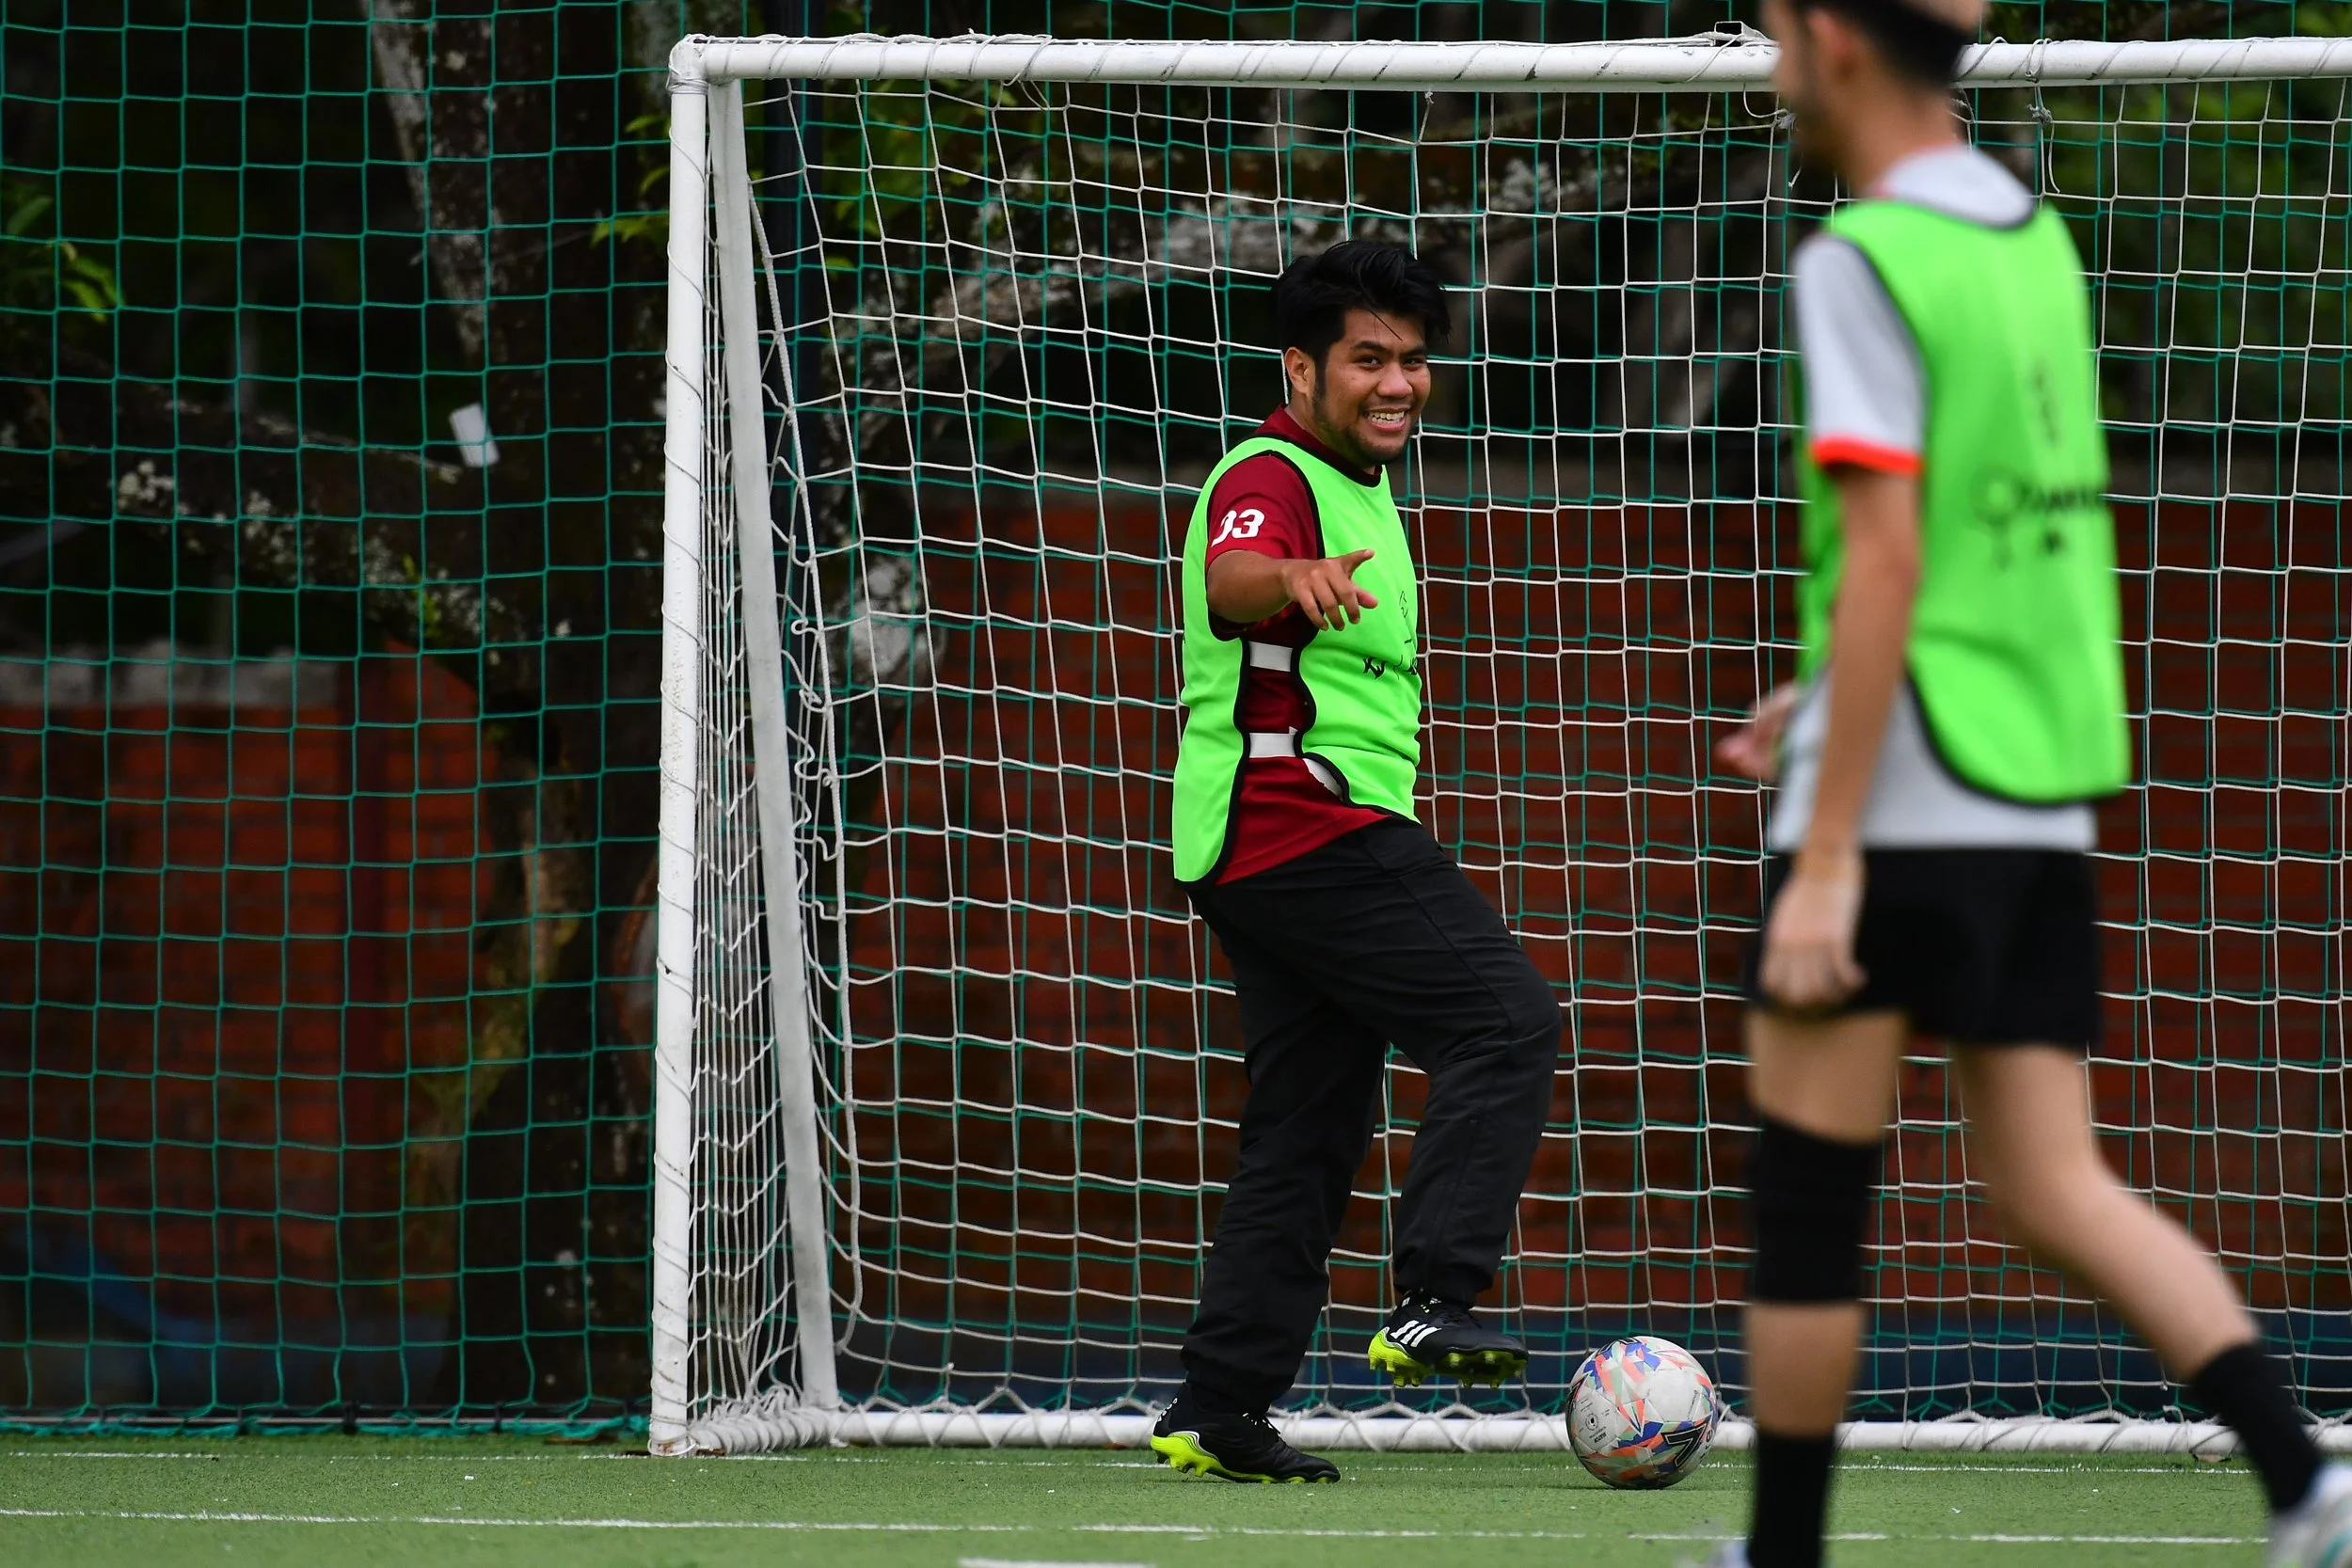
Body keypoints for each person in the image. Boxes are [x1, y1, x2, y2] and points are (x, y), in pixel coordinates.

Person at [1707, 2, 2352, 1564]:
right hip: (2033, 782)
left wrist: (1832, 852)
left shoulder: (1861, 257)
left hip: (1900, 800)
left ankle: (1780, 1557)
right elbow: (1990, 531)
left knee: (1810, 1200)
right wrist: (1824, 684)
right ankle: (2309, 1484)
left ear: (1837, 43)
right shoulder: (2029, 237)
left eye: (1777, 31)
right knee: (2055, 1184)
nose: (1771, 65)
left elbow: (1889, 550)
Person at [1149, 241, 1564, 1483]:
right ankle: (1435, 1297)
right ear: (1301, 368)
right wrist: (1289, 575)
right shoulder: (1270, 473)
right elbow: (1233, 579)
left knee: (1307, 1128)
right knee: (1504, 1020)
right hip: (1300, 823)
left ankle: (1219, 1405)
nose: (1397, 383)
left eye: (1414, 360)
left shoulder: (1360, 486)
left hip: (1264, 842)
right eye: (1368, 359)